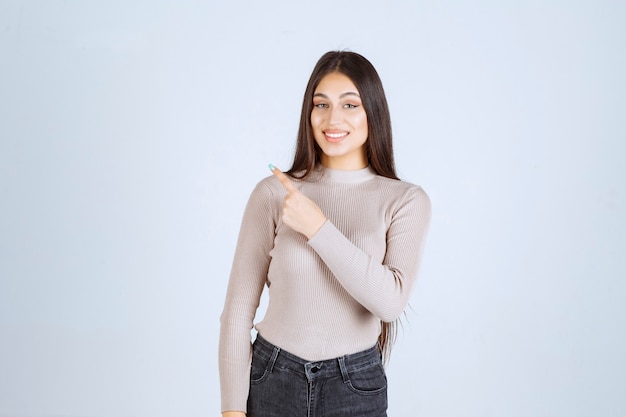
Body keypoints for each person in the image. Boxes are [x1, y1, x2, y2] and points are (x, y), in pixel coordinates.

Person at [219, 51, 431, 417]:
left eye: (350, 104)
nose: (333, 119)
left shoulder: (405, 200)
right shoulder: (273, 194)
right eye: (321, 104)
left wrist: (318, 228)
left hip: (354, 386)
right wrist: (232, 411)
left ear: (373, 113)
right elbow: (238, 313)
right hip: (272, 378)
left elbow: (390, 303)